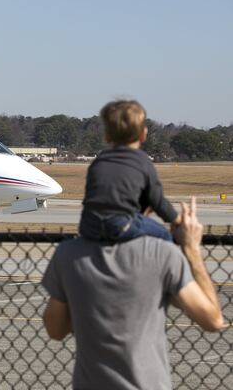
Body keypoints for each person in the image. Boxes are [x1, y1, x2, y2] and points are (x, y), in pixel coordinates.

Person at [42, 197, 225, 389]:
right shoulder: (162, 255)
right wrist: (191, 248)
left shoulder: (70, 255)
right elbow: (212, 319)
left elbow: (55, 330)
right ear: (149, 208)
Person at [79, 100, 176, 242]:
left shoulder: (98, 162)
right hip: (120, 225)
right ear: (143, 134)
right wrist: (176, 219)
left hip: (89, 226)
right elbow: (158, 202)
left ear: (107, 136)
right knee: (165, 235)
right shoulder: (142, 161)